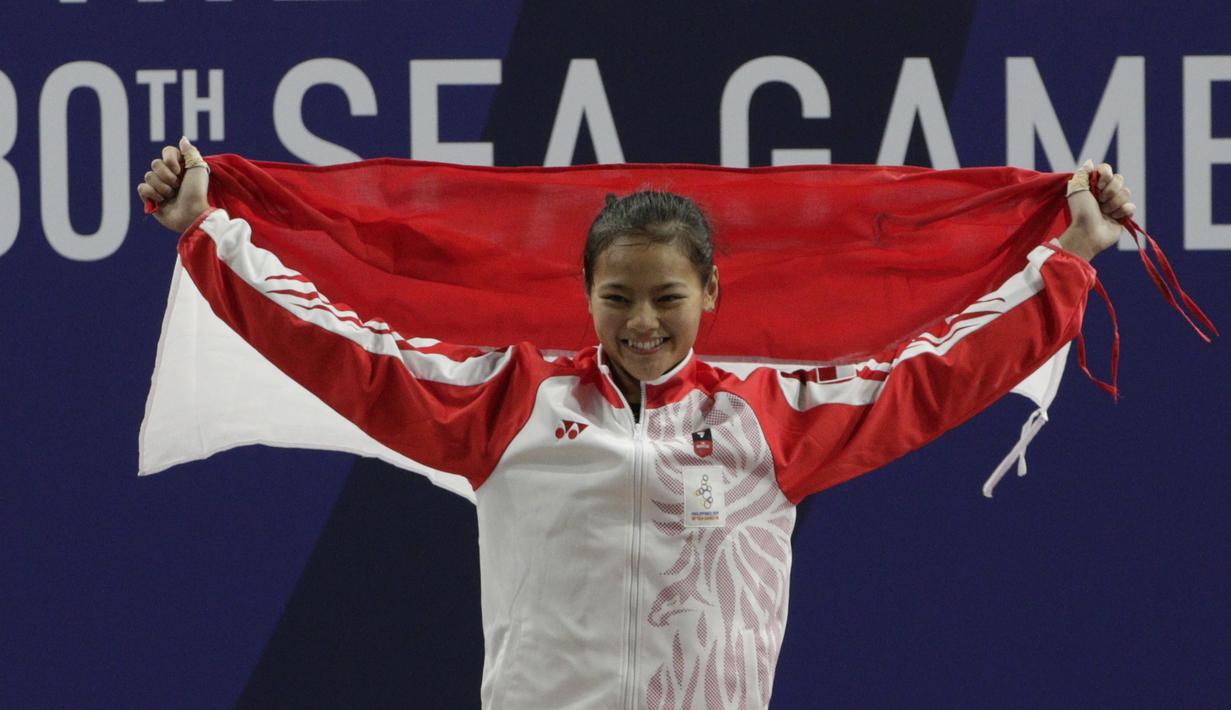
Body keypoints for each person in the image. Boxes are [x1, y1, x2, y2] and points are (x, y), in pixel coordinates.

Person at [138, 138, 1134, 709]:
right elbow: (345, 351)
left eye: (666, 295)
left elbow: (939, 374)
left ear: (709, 289)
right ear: (584, 293)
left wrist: (1067, 261)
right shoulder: (508, 402)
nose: (642, 321)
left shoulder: (771, 419)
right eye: (617, 296)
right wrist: (212, 235)